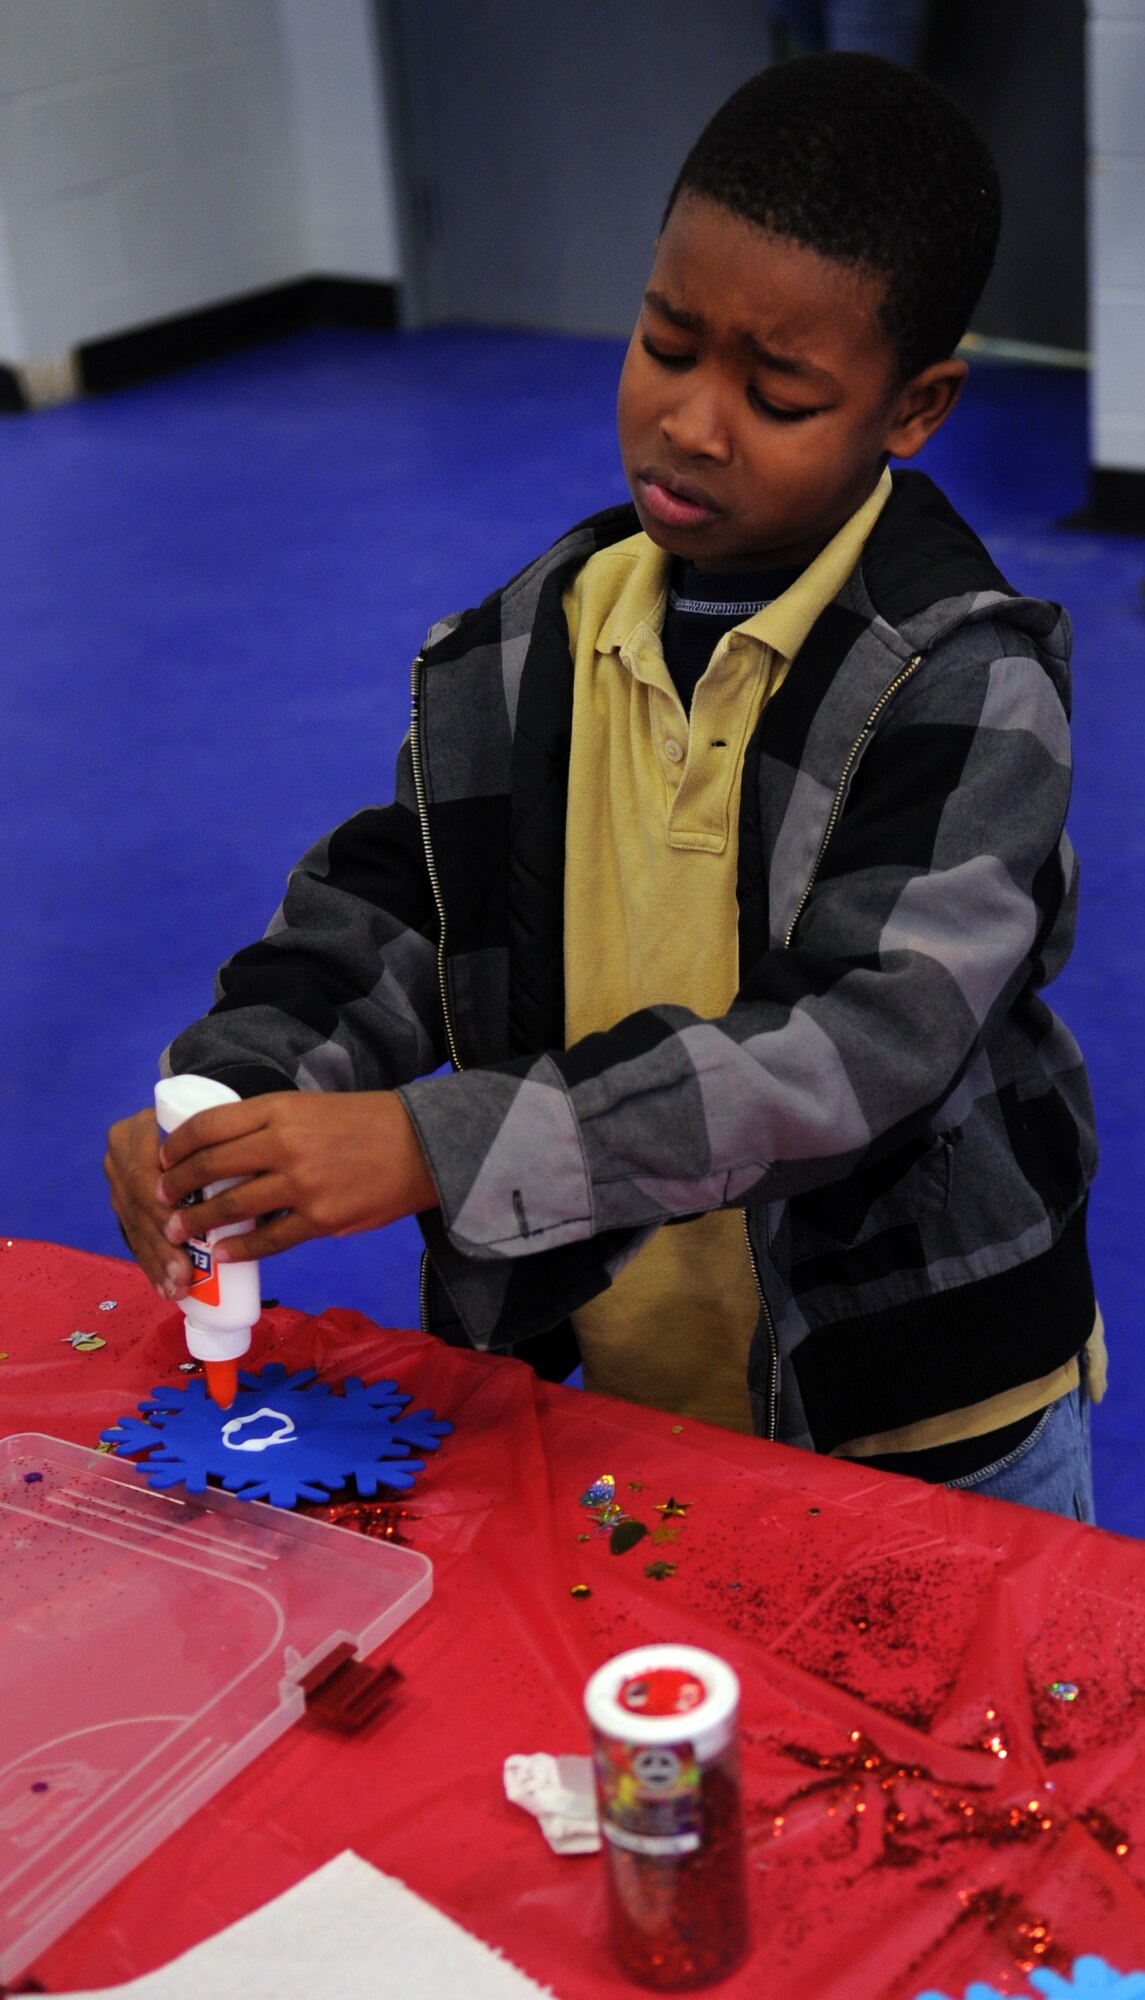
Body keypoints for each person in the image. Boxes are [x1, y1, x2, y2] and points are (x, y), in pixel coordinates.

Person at [106, 53, 1101, 1520]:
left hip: (911, 1415)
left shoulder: (963, 681)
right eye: (665, 341)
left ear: (914, 406)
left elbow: (852, 1057)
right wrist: (240, 1097)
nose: (691, 423)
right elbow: (397, 906)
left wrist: (430, 1145)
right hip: (615, 1389)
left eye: (776, 392)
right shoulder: (536, 635)